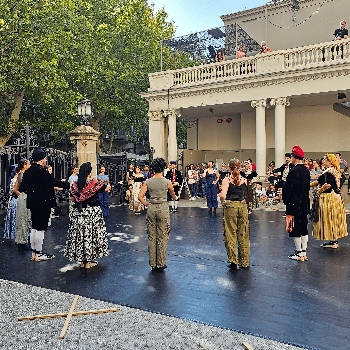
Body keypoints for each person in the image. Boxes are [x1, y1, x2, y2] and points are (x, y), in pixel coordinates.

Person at [19, 148, 70, 261]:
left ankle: (34, 253)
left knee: (34, 227)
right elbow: (53, 182)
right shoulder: (41, 171)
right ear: (42, 159)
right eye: (45, 158)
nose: (46, 160)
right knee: (41, 228)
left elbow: (23, 188)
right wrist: (69, 185)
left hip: (32, 202)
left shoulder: (28, 171)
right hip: (43, 203)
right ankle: (38, 254)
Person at [64, 162, 111, 268]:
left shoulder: (75, 184)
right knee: (91, 235)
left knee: (80, 236)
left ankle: (82, 261)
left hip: (78, 212)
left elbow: (72, 198)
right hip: (92, 212)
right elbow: (107, 188)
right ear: (89, 173)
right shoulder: (94, 183)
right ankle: (89, 262)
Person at [138, 158, 177, 271]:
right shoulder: (167, 182)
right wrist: (175, 197)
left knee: (152, 236)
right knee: (162, 236)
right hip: (163, 208)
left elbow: (140, 196)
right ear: (163, 168)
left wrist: (147, 204)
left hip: (151, 207)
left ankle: (152, 263)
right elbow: (173, 194)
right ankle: (160, 263)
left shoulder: (148, 182)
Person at [311, 154, 348, 249]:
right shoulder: (333, 171)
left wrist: (318, 190)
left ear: (330, 161)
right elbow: (319, 181)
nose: (323, 161)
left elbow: (326, 186)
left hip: (329, 198)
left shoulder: (329, 172)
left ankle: (333, 241)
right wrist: (309, 185)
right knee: (334, 219)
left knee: (329, 219)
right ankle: (334, 240)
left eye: (325, 160)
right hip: (335, 197)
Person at [220, 159, 250, 269]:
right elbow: (248, 195)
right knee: (243, 233)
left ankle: (233, 260)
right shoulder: (244, 180)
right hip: (242, 206)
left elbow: (223, 195)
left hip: (231, 206)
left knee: (230, 232)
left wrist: (223, 203)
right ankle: (244, 262)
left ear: (229, 168)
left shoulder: (227, 179)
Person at [283, 146, 310, 261]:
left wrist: (286, 201)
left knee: (294, 228)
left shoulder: (293, 171)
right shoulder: (306, 170)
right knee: (304, 227)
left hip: (294, 204)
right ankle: (304, 252)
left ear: (293, 157)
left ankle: (299, 253)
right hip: (304, 203)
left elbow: (288, 190)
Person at [13, 159, 31, 249]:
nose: (30, 165)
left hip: (22, 198)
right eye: (28, 164)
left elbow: (15, 190)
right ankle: (23, 242)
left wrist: (20, 195)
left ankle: (21, 240)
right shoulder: (25, 175)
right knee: (25, 219)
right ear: (24, 165)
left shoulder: (19, 174)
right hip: (25, 198)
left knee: (22, 219)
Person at [3, 164, 20, 240]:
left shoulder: (12, 178)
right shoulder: (16, 178)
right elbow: (15, 190)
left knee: (12, 218)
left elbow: (10, 191)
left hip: (12, 200)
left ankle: (12, 233)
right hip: (16, 200)